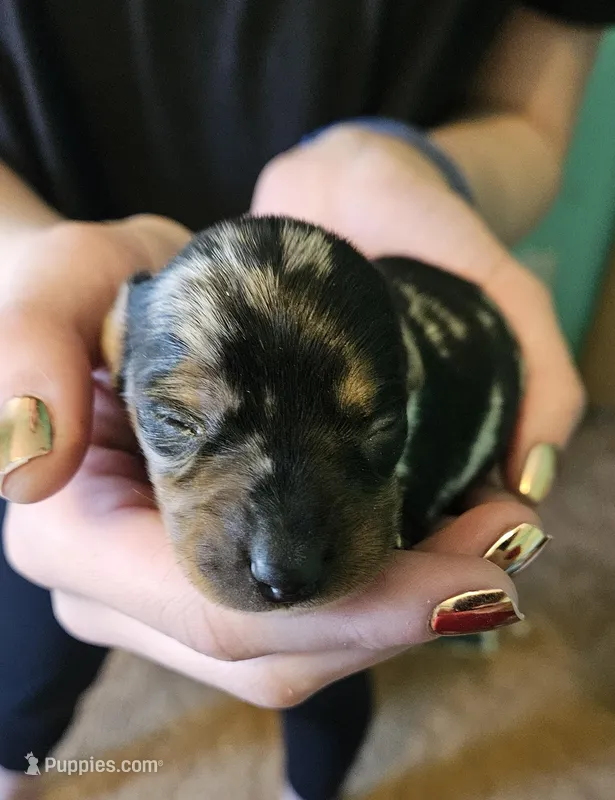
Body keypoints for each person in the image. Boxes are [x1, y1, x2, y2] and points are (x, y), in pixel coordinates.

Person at [0, 2, 613, 799]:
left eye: (371, 420)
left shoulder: (423, 356)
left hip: (378, 229)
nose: (278, 556)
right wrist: (22, 260)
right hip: (58, 313)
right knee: (28, 639)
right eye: (182, 420)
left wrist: (411, 163)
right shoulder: (111, 358)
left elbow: (524, 118)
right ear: (116, 360)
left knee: (327, 668)